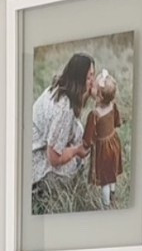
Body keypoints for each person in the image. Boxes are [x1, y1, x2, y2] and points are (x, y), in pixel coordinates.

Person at [29, 51, 94, 208]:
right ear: (79, 79)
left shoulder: (59, 87)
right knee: (77, 165)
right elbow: (53, 158)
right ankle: (40, 191)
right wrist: (76, 151)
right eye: (89, 77)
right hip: (36, 162)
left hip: (35, 146)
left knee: (79, 132)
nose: (92, 81)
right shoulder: (64, 109)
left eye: (93, 75)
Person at [83, 67, 124, 208]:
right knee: (112, 172)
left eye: (94, 86)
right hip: (114, 143)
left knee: (105, 178)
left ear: (99, 96)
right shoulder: (113, 106)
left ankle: (106, 205)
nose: (92, 85)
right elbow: (117, 122)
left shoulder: (95, 114)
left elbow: (88, 136)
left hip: (104, 150)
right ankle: (113, 194)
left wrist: (87, 143)